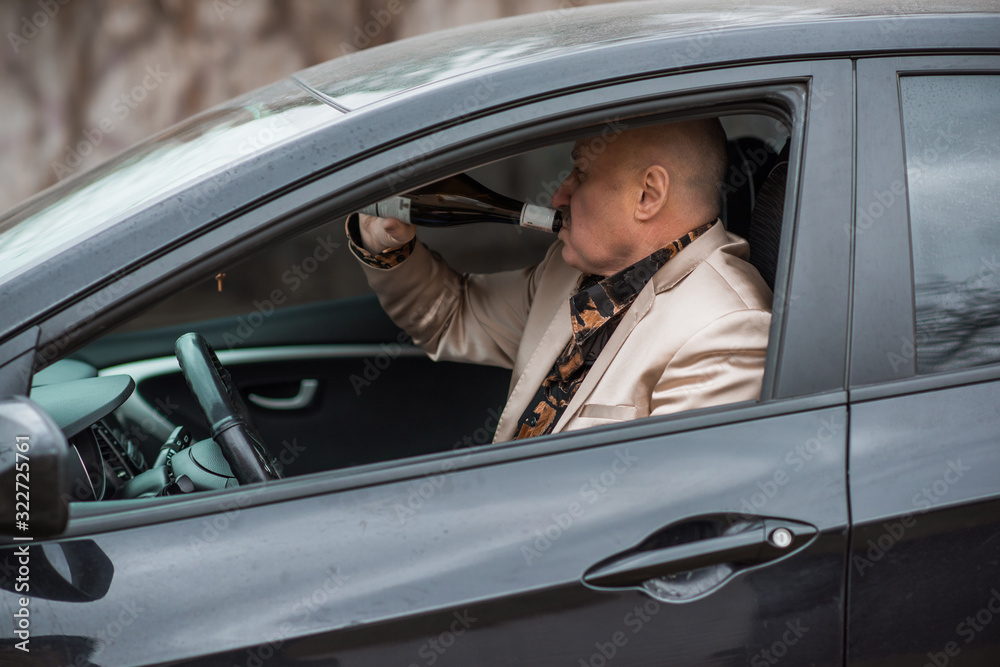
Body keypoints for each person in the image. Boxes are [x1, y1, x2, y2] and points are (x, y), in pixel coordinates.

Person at [346, 118, 772, 442]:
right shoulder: (570, 271)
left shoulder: (726, 328)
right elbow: (452, 317)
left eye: (581, 174)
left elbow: (665, 515)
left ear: (647, 195)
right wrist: (384, 244)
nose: (558, 196)